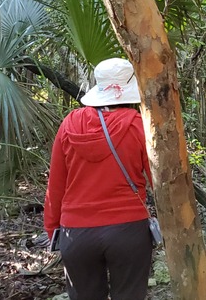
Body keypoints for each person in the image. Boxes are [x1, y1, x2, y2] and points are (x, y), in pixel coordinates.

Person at [44, 58, 153, 300]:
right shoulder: (138, 125)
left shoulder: (69, 124)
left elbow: (56, 184)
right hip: (129, 231)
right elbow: (157, 180)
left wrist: (52, 228)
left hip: (76, 233)